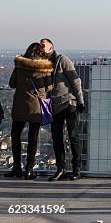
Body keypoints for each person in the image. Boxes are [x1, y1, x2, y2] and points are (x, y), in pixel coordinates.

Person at [5, 43, 53, 180]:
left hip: (20, 104)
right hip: (36, 107)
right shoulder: (45, 68)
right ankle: (29, 170)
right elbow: (49, 87)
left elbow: (12, 84)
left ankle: (16, 168)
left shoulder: (20, 65)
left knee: (15, 136)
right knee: (33, 139)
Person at [40, 38, 85, 181]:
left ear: (51, 47)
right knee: (57, 137)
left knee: (73, 136)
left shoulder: (62, 60)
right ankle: (61, 169)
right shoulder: (43, 64)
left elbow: (76, 81)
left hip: (69, 102)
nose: (41, 47)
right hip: (54, 105)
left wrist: (80, 101)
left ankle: (76, 169)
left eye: (43, 45)